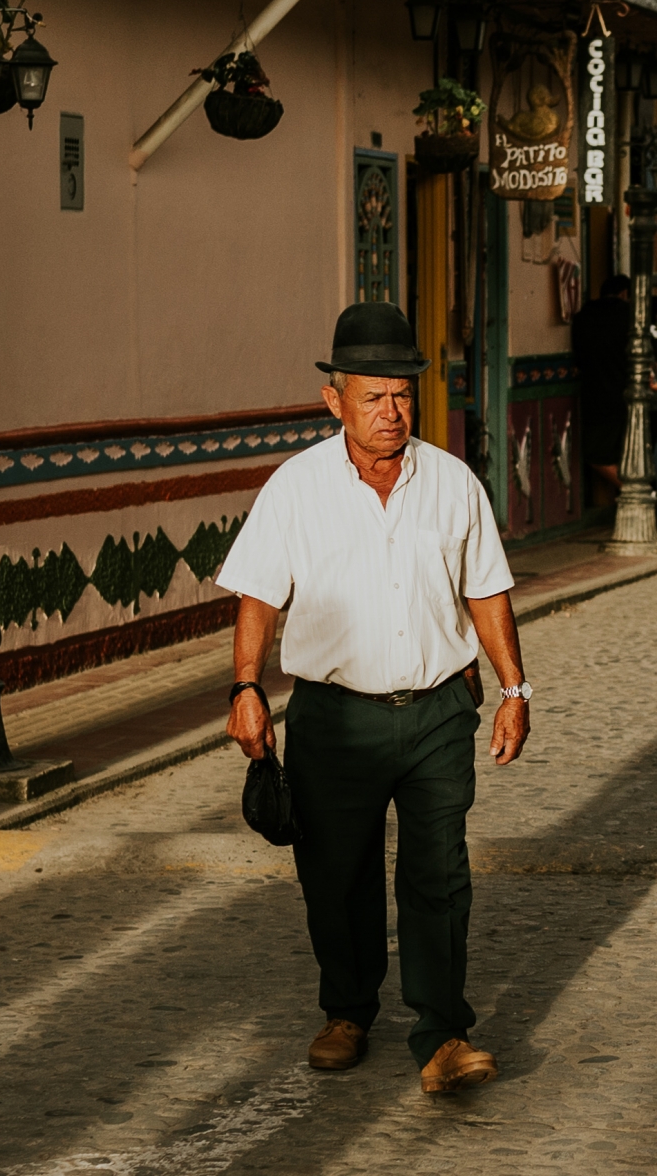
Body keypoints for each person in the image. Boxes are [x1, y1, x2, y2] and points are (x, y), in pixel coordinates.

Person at [218, 301, 531, 1095]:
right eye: (373, 398)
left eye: (402, 396)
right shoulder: (296, 489)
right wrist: (247, 686)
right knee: (336, 870)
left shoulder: (453, 482)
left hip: (435, 712)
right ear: (335, 400)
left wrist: (513, 688)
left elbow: (487, 592)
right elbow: (257, 595)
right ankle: (348, 1011)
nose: (391, 414)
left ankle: (442, 1033)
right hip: (333, 714)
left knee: (438, 873)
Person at [571, 273, 631, 494]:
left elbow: (579, 360)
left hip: (595, 397)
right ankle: (638, 495)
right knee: (622, 453)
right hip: (626, 396)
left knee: (598, 454)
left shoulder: (582, 317)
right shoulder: (630, 316)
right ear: (625, 294)